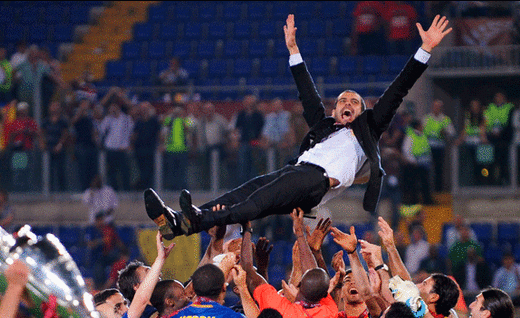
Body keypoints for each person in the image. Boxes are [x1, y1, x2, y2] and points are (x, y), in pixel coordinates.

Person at [145, 14, 453, 240]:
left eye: (355, 102)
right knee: (246, 191)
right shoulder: (325, 127)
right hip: (298, 172)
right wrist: (293, 50)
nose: (348, 103)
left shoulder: (369, 129)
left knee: (258, 200)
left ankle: (197, 219)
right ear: (335, 110)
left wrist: (424, 50)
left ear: (363, 111)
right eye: (343, 100)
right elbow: (308, 95)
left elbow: (398, 89)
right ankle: (179, 221)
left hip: (316, 180)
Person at [93, 232, 175, 318]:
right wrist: (160, 259)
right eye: (117, 307)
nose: (125, 309)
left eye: (124, 303)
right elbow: (141, 299)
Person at [422, 99, 456, 192]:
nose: (436, 108)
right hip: (428, 147)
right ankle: (427, 190)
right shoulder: (427, 118)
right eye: (435, 106)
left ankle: (438, 190)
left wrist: (445, 132)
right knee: (427, 168)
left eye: (438, 107)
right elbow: (422, 132)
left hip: (440, 146)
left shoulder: (445, 119)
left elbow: (452, 133)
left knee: (439, 169)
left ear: (441, 108)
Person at [100, 101, 134, 191]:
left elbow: (130, 133)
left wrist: (128, 144)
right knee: (111, 172)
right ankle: (114, 190)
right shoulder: (108, 119)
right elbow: (102, 131)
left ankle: (127, 190)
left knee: (125, 171)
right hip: (111, 148)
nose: (112, 109)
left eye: (114, 107)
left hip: (122, 149)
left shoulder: (126, 119)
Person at [483, 91, 515, 185]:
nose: (498, 98)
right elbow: (485, 121)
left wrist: (501, 132)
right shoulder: (490, 108)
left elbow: (510, 124)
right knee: (489, 162)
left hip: (504, 140)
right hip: (491, 139)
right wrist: (490, 132)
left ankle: (504, 181)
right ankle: (489, 182)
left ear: (504, 98)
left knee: (503, 162)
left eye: (500, 97)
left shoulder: (509, 107)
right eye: (497, 97)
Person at [401, 119, 434, 205]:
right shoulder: (411, 136)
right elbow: (406, 150)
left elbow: (427, 150)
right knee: (414, 184)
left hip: (424, 164)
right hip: (414, 164)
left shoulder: (423, 136)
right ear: (417, 126)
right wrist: (413, 161)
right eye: (421, 125)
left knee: (425, 184)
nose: (423, 127)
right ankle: (415, 201)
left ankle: (427, 200)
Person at [41, 101, 69, 192]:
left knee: (60, 170)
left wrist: (60, 144)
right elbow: (41, 133)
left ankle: (62, 191)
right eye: (53, 106)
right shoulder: (46, 121)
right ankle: (49, 191)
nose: (54, 108)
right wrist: (43, 144)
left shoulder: (62, 121)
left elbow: (65, 134)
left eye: (56, 106)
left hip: (59, 148)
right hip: (48, 148)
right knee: (49, 171)